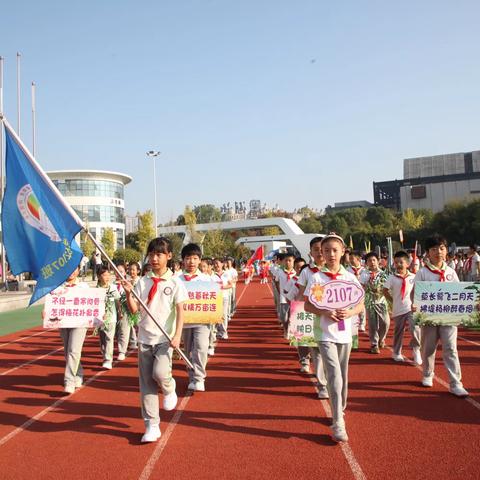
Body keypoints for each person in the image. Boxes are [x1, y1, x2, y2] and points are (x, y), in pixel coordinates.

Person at [124, 236, 188, 443]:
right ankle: (152, 425)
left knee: (160, 372)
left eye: (159, 254)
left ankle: (169, 387)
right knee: (146, 386)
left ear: (169, 256)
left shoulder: (175, 283)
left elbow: (180, 311)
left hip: (164, 339)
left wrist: (177, 335)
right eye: (151, 254)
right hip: (144, 339)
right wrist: (128, 294)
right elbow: (135, 311)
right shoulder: (142, 282)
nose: (154, 258)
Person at [304, 233, 364, 443]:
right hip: (324, 333)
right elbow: (308, 304)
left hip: (345, 333)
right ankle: (338, 421)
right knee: (334, 376)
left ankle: (341, 407)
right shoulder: (317, 278)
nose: (330, 254)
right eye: (326, 250)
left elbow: (360, 304)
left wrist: (351, 312)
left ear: (342, 252)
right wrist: (324, 312)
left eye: (334, 250)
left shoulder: (349, 278)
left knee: (343, 376)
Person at [413, 234, 469, 397]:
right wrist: (415, 305)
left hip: (448, 315)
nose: (438, 252)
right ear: (428, 253)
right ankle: (428, 374)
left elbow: (460, 292)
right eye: (434, 249)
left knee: (451, 348)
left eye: (442, 248)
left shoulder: (451, 272)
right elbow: (415, 293)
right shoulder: (423, 272)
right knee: (429, 347)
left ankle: (455, 383)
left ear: (446, 251)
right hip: (429, 317)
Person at [43, 266, 88, 393]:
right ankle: (78, 373)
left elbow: (93, 303)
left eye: (75, 269)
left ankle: (69, 381)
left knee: (74, 350)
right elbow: (51, 303)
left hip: (80, 323)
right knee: (68, 350)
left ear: (79, 270)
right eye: (69, 268)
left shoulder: (84, 287)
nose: (72, 272)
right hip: (63, 321)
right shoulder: (57, 287)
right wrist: (46, 311)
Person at [178, 243, 212, 391]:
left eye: (195, 258)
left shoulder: (206, 279)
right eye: (188, 258)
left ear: (200, 260)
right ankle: (192, 376)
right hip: (184, 322)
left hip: (202, 321)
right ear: (183, 260)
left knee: (201, 347)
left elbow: (213, 300)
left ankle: (199, 378)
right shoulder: (177, 280)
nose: (191, 262)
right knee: (188, 351)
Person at [383, 251, 421, 364]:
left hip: (411, 308)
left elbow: (418, 291)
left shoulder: (414, 277)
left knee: (415, 329)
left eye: (401, 262)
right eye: (396, 262)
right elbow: (385, 291)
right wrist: (393, 300)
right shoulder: (392, 278)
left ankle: (416, 350)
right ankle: (397, 352)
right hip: (398, 308)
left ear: (407, 264)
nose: (398, 264)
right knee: (399, 331)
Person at [360, 252, 390, 354]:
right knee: (372, 324)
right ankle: (374, 344)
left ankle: (382, 338)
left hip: (382, 301)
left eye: (374, 260)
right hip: (370, 301)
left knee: (385, 322)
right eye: (369, 261)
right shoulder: (364, 274)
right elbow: (361, 286)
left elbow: (388, 288)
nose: (372, 262)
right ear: (366, 263)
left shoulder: (383, 273)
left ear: (378, 261)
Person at [96, 265, 121, 369]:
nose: (107, 277)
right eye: (104, 274)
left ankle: (108, 359)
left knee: (109, 338)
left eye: (108, 274)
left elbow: (117, 301)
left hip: (111, 317)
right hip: (99, 318)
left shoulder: (113, 287)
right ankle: (104, 355)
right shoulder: (96, 289)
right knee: (102, 339)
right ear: (98, 276)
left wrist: (120, 312)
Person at [116, 263, 139, 360]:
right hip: (125, 307)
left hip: (137, 308)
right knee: (123, 329)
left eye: (134, 270)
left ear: (138, 271)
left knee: (137, 327)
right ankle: (122, 351)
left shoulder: (141, 282)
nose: (132, 272)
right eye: (130, 270)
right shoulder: (125, 282)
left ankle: (134, 342)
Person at [275, 252, 296, 337]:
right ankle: (285, 328)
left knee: (293, 317)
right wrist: (280, 291)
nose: (288, 262)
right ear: (283, 261)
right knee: (284, 318)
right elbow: (276, 281)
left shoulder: (297, 272)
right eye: (286, 260)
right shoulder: (280, 272)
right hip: (283, 298)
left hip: (294, 299)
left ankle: (290, 332)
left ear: (293, 261)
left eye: (290, 260)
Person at [212, 258, 233, 339]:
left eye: (218, 263)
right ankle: (218, 331)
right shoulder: (212, 274)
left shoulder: (226, 274)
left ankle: (224, 332)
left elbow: (231, 284)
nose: (216, 265)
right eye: (215, 263)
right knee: (216, 315)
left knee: (223, 315)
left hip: (224, 297)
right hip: (215, 298)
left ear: (222, 264)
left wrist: (223, 287)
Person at [347, 251, 366, 332]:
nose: (350, 260)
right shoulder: (348, 270)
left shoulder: (364, 270)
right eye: (349, 258)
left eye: (352, 258)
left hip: (362, 291)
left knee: (362, 307)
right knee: (352, 307)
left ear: (358, 259)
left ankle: (362, 324)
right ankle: (353, 323)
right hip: (351, 292)